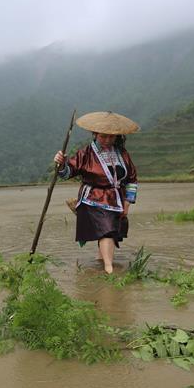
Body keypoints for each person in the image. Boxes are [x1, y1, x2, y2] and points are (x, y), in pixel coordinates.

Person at [54, 111, 140, 274]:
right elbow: (67, 173)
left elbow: (132, 179)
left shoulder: (122, 153)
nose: (107, 140)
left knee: (111, 233)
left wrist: (128, 202)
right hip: (93, 199)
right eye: (103, 137)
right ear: (95, 134)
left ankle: (100, 265)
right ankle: (109, 269)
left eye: (111, 137)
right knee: (106, 230)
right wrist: (61, 163)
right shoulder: (85, 153)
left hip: (117, 200)